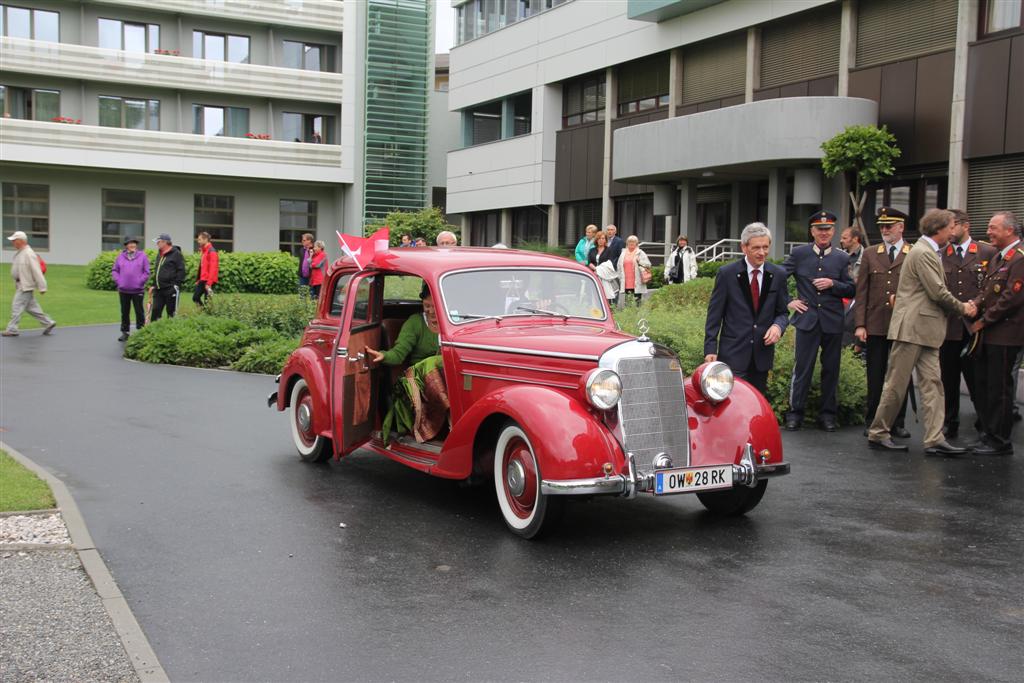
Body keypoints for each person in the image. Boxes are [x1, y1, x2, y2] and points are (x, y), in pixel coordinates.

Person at [867, 209, 975, 456]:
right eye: (950, 227)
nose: (952, 231)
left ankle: (934, 438)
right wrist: (964, 308)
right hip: (912, 328)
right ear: (938, 229)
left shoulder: (926, 251)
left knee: (933, 385)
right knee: (896, 384)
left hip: (925, 329)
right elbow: (937, 292)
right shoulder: (923, 252)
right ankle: (878, 433)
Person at [783, 211, 855, 431]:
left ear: (833, 231)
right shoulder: (799, 253)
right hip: (807, 319)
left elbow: (852, 288)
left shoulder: (842, 258)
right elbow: (777, 279)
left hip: (832, 321)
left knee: (831, 369)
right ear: (812, 231)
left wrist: (833, 284)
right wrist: (789, 301)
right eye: (819, 229)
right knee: (803, 368)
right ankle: (795, 413)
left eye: (828, 229)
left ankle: (827, 415)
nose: (824, 233)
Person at [703, 222, 790, 395]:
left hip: (761, 354)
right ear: (744, 247)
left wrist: (778, 326)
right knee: (732, 405)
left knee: (756, 404)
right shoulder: (727, 274)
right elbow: (715, 314)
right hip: (733, 353)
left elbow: (783, 312)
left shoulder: (778, 274)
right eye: (756, 248)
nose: (762, 253)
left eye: (765, 247)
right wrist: (710, 349)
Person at [966, 211, 1024, 456]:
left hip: (1006, 333)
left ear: (1009, 230)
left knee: (1000, 389)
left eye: (993, 228)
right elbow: (989, 290)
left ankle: (1000, 441)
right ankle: (989, 434)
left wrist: (984, 320)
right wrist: (974, 305)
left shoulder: (1019, 258)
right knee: (988, 385)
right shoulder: (1001, 257)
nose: (988, 232)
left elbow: (1012, 297)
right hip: (992, 332)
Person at [853, 208, 912, 438]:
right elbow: (862, 292)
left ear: (901, 227)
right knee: (875, 376)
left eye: (890, 225)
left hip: (902, 325)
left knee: (900, 376)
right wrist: (860, 324)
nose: (885, 230)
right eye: (882, 226)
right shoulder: (870, 253)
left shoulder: (913, 252)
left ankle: (898, 421)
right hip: (875, 324)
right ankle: (873, 420)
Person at [939, 209, 996, 439]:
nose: (948, 231)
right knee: (948, 379)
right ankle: (949, 422)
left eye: (951, 226)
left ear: (965, 225)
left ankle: (984, 424)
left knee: (977, 380)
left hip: (975, 327)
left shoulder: (986, 252)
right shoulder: (941, 254)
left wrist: (977, 303)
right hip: (949, 327)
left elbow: (991, 286)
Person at [369, 286, 447, 443]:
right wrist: (383, 355)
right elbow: (398, 354)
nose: (431, 311)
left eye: (435, 306)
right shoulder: (415, 323)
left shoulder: (453, 322)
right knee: (434, 362)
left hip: (447, 376)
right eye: (427, 306)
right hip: (417, 379)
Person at [3, 230, 55, 337]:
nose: (13, 242)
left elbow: (37, 271)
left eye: (14, 240)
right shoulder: (21, 252)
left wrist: (42, 287)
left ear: (21, 241)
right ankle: (48, 323)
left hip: (25, 286)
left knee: (16, 306)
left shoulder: (29, 253)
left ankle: (12, 329)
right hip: (21, 285)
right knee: (32, 308)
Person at [111, 236, 150, 341]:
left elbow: (146, 272)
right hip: (123, 290)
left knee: (139, 311)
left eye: (134, 243)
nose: (132, 245)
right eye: (130, 243)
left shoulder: (143, 256)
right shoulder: (120, 257)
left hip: (138, 290)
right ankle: (125, 332)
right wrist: (119, 281)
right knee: (124, 311)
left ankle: (141, 332)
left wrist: (140, 282)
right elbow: (115, 270)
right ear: (126, 245)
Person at [150, 233, 185, 321]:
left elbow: (181, 270)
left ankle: (170, 333)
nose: (157, 244)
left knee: (171, 313)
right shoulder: (159, 254)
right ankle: (153, 333)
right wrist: (154, 285)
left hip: (170, 289)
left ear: (165, 242)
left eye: (158, 242)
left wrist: (176, 285)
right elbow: (157, 271)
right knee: (155, 312)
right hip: (158, 290)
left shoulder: (176, 254)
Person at [617, 235, 652, 306]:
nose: (631, 243)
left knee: (637, 300)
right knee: (628, 301)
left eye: (633, 242)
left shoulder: (640, 252)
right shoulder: (623, 253)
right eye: (630, 242)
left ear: (636, 243)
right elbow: (619, 266)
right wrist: (620, 276)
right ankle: (628, 315)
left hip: (637, 280)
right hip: (626, 281)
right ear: (627, 243)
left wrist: (640, 261)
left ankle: (637, 315)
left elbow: (648, 265)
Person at [193, 231, 219, 307]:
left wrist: (209, 283)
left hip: (209, 281)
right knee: (195, 298)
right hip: (203, 279)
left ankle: (207, 315)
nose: (198, 241)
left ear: (206, 239)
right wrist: (198, 280)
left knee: (207, 301)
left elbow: (213, 269)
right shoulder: (204, 251)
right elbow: (202, 267)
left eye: (200, 239)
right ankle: (204, 312)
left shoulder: (212, 252)